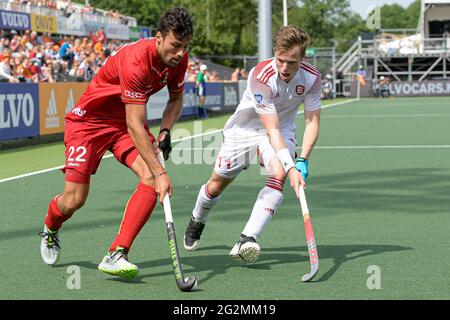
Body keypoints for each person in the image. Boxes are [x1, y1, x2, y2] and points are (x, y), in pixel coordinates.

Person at [38, 7, 194, 279]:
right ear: (158, 38)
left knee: (148, 179)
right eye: (175, 45)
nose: (180, 52)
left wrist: (166, 131)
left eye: (185, 46)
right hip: (90, 123)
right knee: (74, 200)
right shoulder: (137, 61)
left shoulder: (179, 60)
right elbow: (136, 123)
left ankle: (117, 253)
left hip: (122, 123)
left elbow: (176, 98)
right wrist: (161, 171)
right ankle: (50, 227)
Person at [183, 25, 321, 263]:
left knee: (278, 173)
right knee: (216, 184)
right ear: (274, 53)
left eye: (292, 62)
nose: (285, 68)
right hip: (245, 130)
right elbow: (271, 128)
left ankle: (248, 239)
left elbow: (312, 123)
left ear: (302, 57)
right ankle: (198, 217)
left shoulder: (311, 78)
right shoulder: (261, 75)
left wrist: (301, 161)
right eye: (280, 60)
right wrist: (292, 167)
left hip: (283, 128)